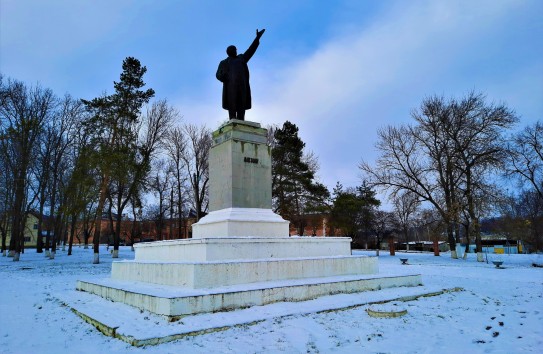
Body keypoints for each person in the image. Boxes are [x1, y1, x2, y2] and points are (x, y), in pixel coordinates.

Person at [216, 29, 265, 120]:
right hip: (230, 86)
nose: (236, 51)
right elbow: (218, 74)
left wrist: (257, 38)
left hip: (242, 85)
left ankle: (241, 121)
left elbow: (250, 50)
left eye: (236, 49)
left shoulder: (241, 58)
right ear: (229, 51)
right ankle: (232, 121)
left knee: (241, 104)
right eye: (234, 49)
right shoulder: (224, 62)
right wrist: (222, 76)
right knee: (232, 104)